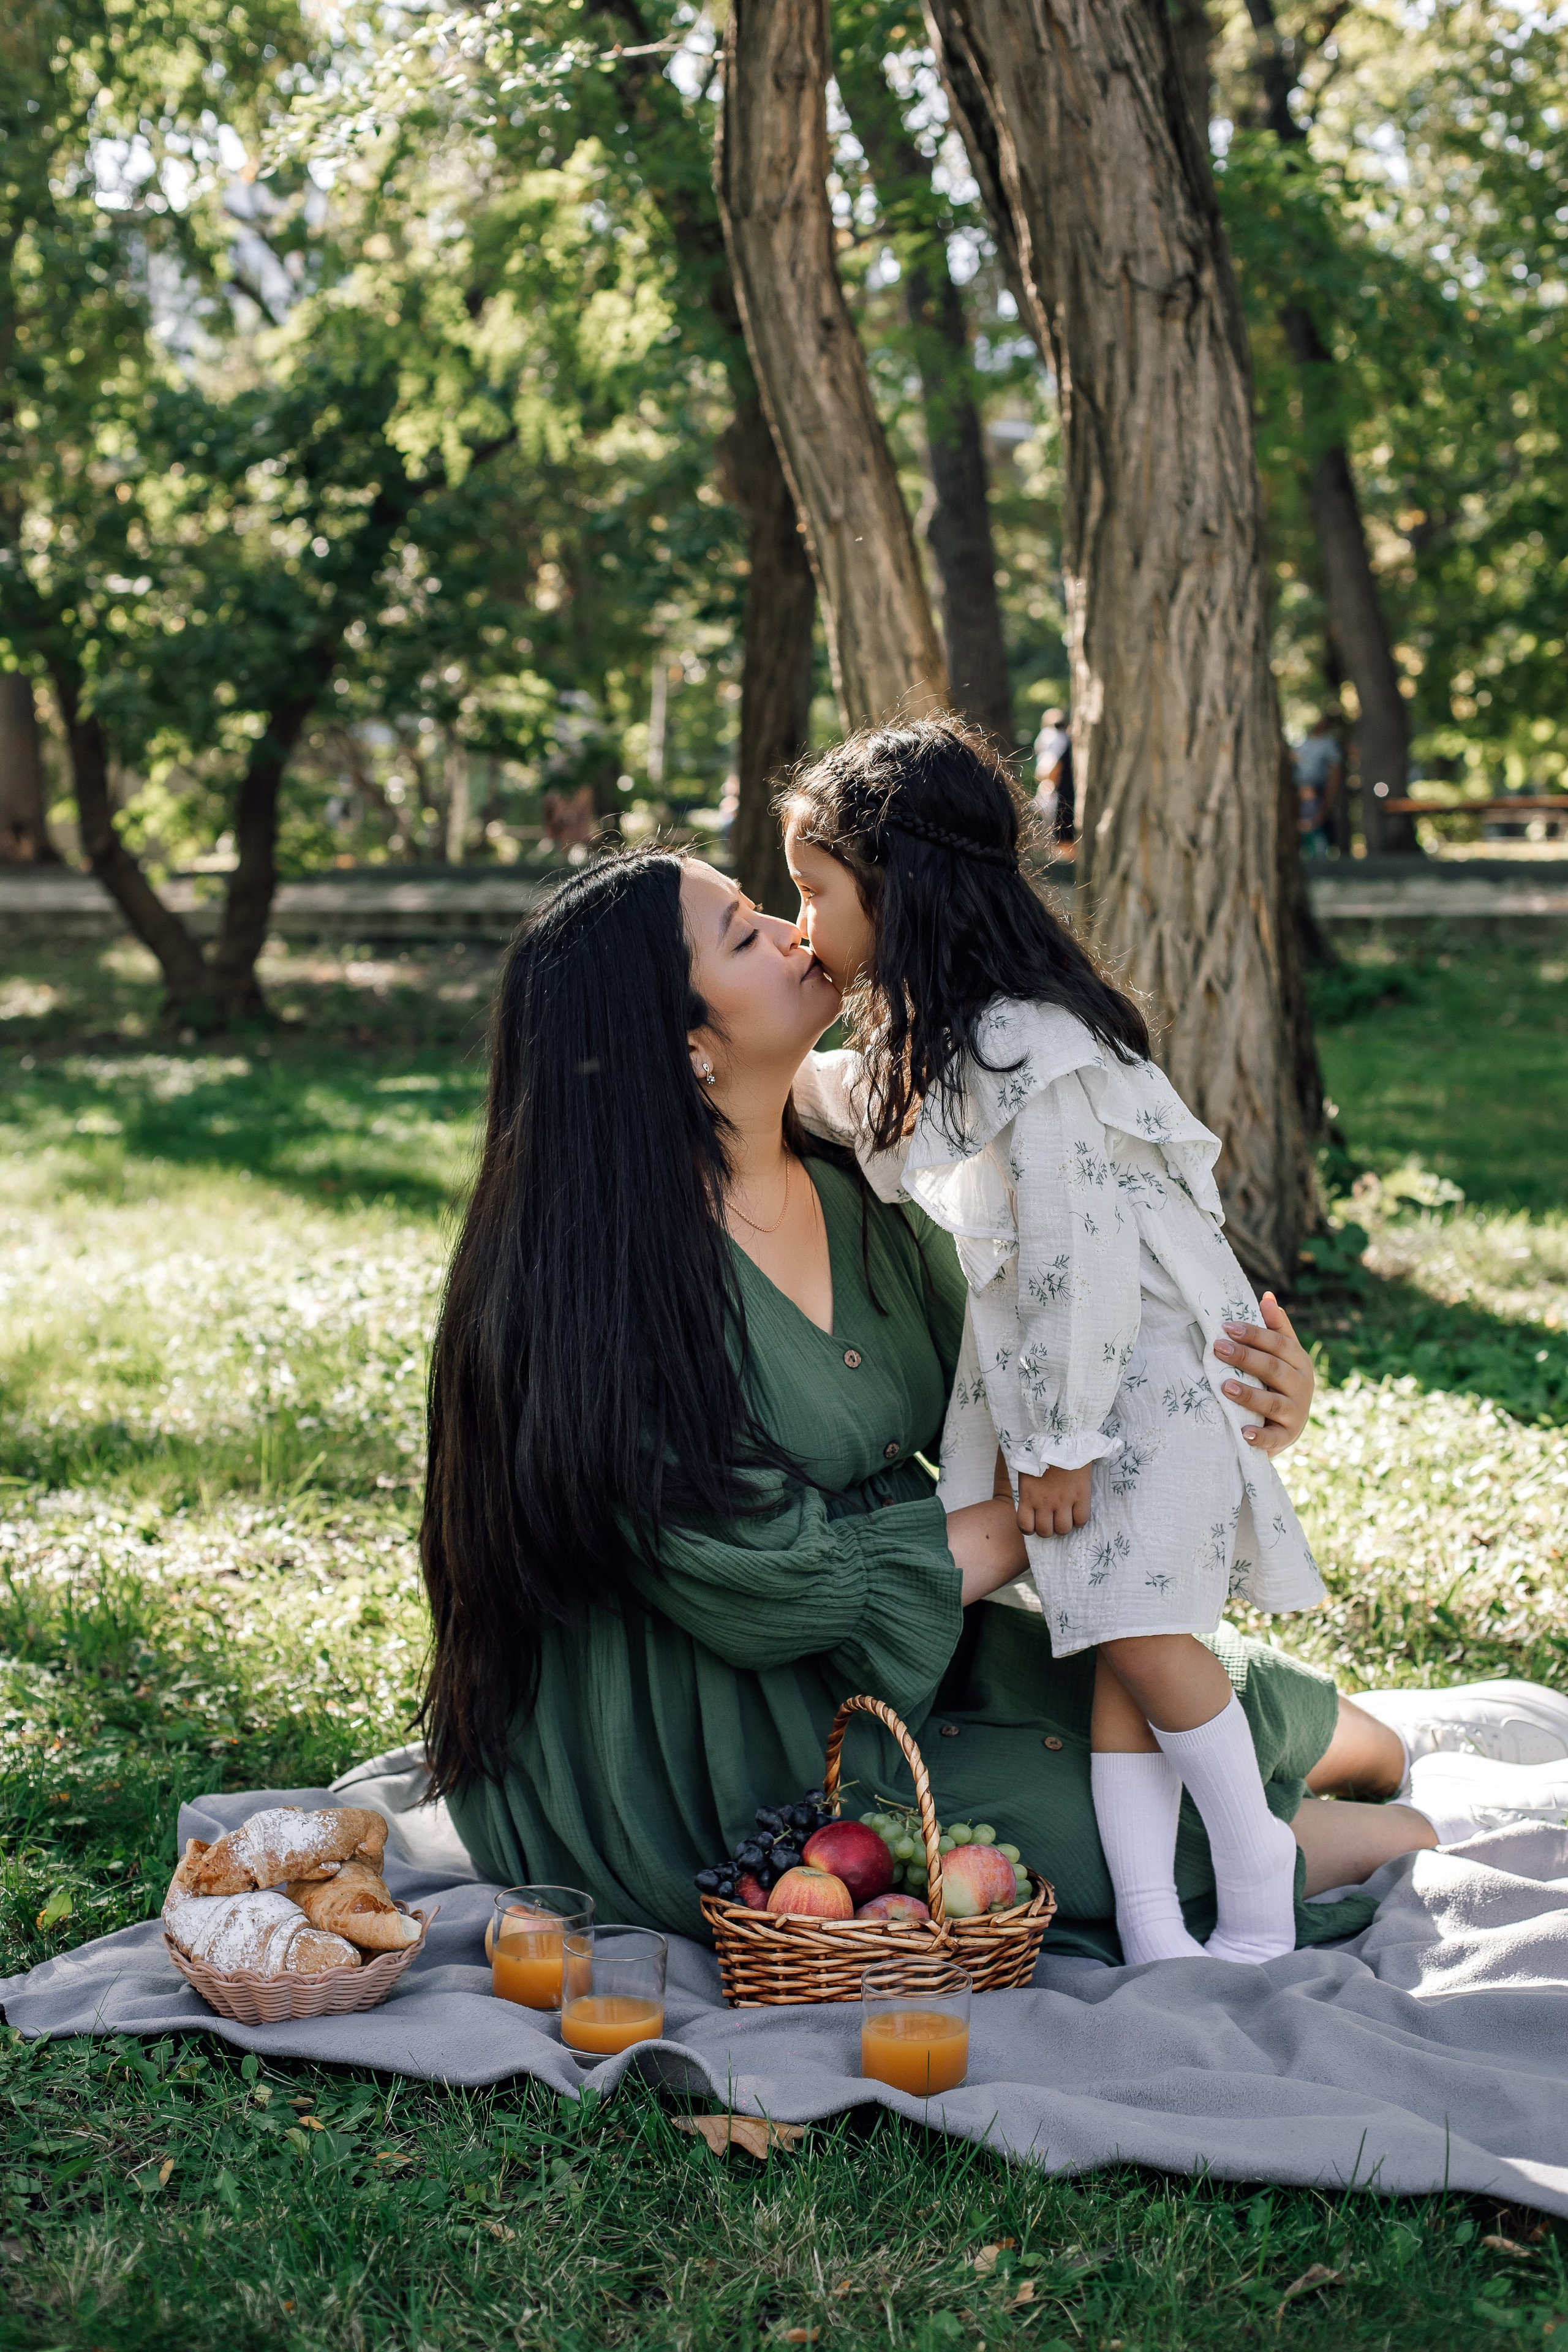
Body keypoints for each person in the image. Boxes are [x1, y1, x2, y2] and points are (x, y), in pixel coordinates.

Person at [415, 845, 1562, 1967]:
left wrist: (1244, 1385)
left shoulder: (855, 1176)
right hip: (705, 1738)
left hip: (910, 1635)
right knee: (1122, 1832)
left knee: (1244, 1708)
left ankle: (1367, 1762)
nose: (790, 927)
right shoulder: (600, 1292)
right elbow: (774, 1590)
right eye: (743, 932)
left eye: (773, 902)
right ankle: (1396, 1840)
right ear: (685, 1044)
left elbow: (1056, 1357)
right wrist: (1071, 1489)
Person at [783, 717, 1329, 1967]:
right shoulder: (954, 1037)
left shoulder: (1027, 1040)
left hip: (1129, 1388)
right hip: (1086, 1400)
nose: (800, 921)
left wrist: (1066, 1442)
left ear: (899, 888)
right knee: (1108, 1643)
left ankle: (1251, 1871)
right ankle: (1151, 1925)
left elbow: (1081, 1265)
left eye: (815, 893)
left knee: (1145, 1639)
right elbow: (851, 1103)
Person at [1293, 715, 1342, 857]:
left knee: (1317, 821)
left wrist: (1328, 795)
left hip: (1318, 788)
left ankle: (1321, 855)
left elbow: (1334, 770)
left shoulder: (1328, 744)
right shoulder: (1304, 743)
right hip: (1301, 788)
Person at [1033, 706, 1073, 845]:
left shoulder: (1051, 737)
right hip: (1067, 795)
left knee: (1064, 844)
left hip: (1060, 798)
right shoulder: (1068, 739)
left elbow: (1048, 771)